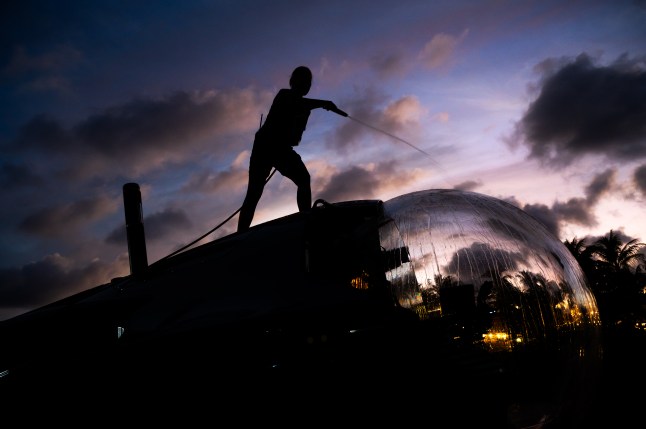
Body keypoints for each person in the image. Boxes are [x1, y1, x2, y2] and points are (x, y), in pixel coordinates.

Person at [237, 66, 345, 232]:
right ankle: (240, 235)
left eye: (309, 82)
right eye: (303, 80)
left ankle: (306, 221)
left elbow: (295, 138)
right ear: (293, 81)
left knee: (304, 179)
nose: (306, 84)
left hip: (281, 149)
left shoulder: (305, 109)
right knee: (254, 193)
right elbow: (297, 104)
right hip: (264, 146)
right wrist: (324, 103)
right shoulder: (284, 95)